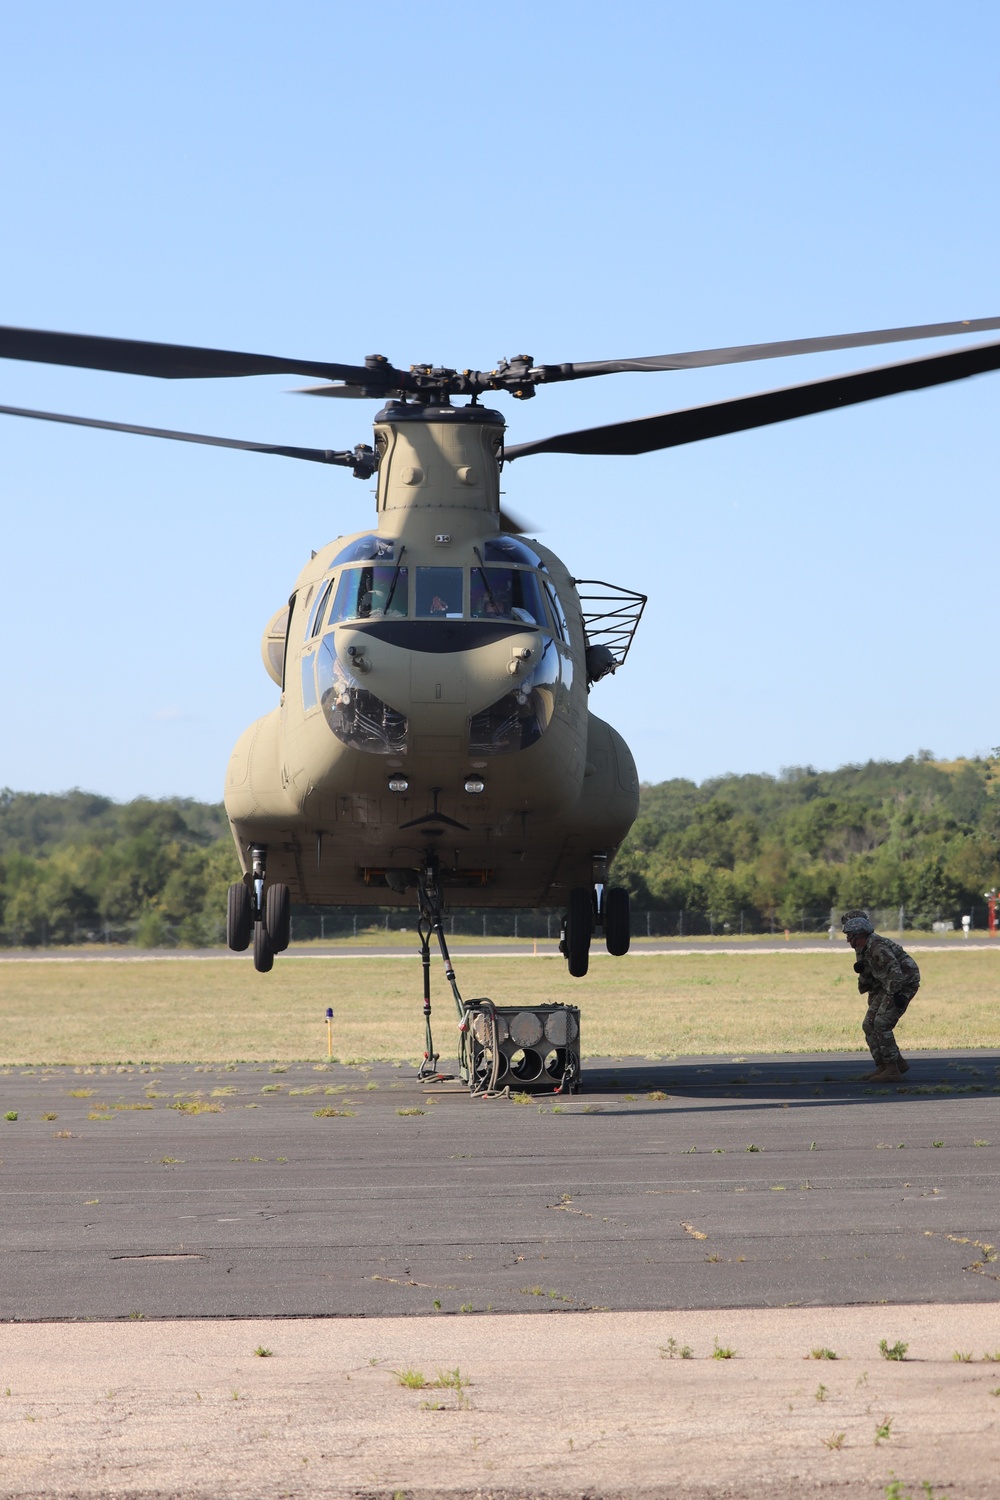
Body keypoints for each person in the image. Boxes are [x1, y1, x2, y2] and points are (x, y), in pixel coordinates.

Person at [842, 913, 920, 1081]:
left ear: (860, 935)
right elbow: (868, 974)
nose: (848, 940)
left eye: (850, 936)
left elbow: (895, 971)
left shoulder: (877, 947)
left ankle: (893, 1070)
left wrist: (897, 995)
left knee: (882, 1023)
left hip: (901, 984)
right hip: (887, 985)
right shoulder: (863, 948)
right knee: (868, 1024)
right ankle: (885, 1065)